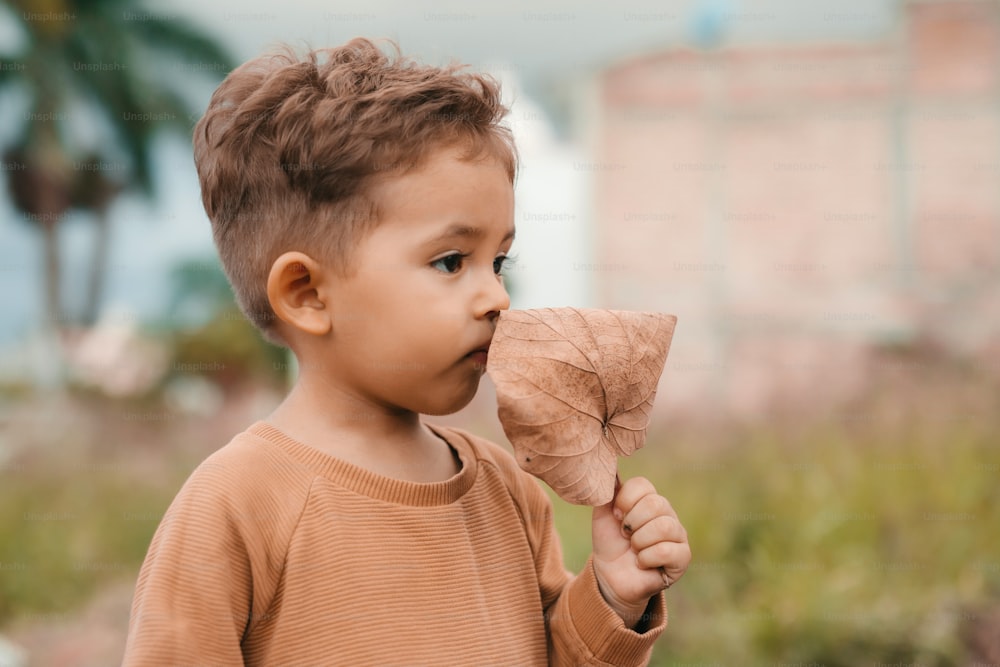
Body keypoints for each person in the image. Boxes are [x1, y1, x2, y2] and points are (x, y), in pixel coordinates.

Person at [123, 37, 691, 666]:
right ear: (307, 293)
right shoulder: (235, 506)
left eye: (498, 261)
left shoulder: (507, 490)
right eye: (451, 261)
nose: (496, 297)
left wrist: (611, 596)